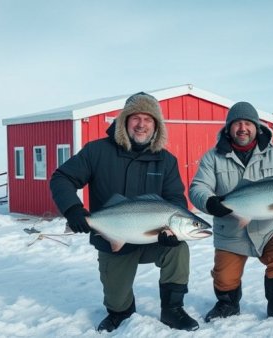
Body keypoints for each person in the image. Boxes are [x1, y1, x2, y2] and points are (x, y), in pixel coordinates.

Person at [50, 92, 199, 332]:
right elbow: (62, 178)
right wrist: (73, 209)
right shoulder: (97, 151)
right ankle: (121, 312)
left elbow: (174, 199)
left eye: (148, 119)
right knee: (117, 303)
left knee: (178, 248)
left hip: (153, 239)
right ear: (124, 121)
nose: (141, 124)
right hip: (112, 238)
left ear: (156, 125)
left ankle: (173, 310)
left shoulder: (166, 160)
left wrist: (171, 230)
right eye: (135, 118)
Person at [189, 101, 273, 324]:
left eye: (248, 123)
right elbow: (198, 188)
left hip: (269, 227)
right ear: (228, 128)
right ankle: (227, 304)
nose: (242, 128)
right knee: (224, 277)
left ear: (256, 126)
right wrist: (210, 202)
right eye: (237, 124)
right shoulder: (213, 157)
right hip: (230, 229)